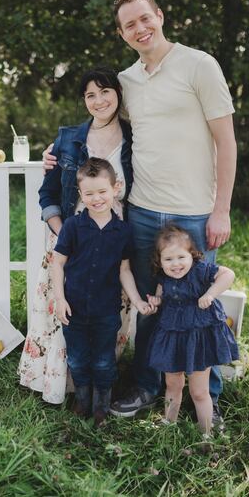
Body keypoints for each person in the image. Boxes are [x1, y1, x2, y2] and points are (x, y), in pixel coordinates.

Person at [43, 0, 238, 427]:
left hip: (193, 210)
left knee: (199, 304)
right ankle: (149, 387)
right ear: (122, 33)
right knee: (153, 307)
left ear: (160, 15)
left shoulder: (199, 65)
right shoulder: (127, 82)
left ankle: (208, 393)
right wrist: (56, 150)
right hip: (145, 210)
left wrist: (221, 209)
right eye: (130, 24)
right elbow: (98, 119)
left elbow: (226, 142)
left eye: (145, 18)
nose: (140, 28)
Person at [18, 67, 134, 405]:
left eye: (105, 92)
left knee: (107, 314)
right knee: (64, 312)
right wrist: (63, 231)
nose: (99, 101)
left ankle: (102, 385)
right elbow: (48, 195)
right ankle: (61, 385)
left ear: (118, 94)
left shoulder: (135, 136)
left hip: (113, 240)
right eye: (90, 95)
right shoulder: (68, 138)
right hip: (71, 239)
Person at [51, 158, 155, 426]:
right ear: (80, 194)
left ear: (115, 188)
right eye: (89, 193)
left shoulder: (123, 231)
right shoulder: (73, 227)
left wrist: (137, 301)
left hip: (106, 311)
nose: (96, 199)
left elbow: (124, 271)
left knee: (103, 362)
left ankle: (101, 406)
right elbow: (58, 263)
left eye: (102, 192)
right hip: (73, 308)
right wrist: (60, 299)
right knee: (78, 359)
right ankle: (82, 400)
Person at [145, 224, 238, 435]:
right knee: (173, 384)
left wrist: (210, 294)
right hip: (172, 335)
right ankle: (169, 426)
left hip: (198, 337)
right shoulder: (164, 277)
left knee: (199, 391)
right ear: (159, 261)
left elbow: (228, 274)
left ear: (192, 255)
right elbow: (162, 296)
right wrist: (155, 301)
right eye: (168, 259)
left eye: (181, 257)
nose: (175, 264)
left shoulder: (201, 271)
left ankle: (206, 433)